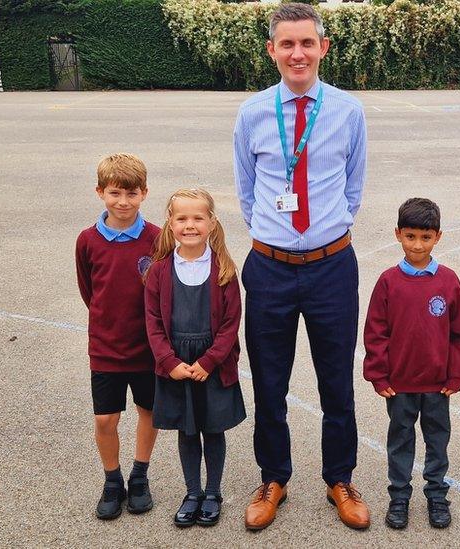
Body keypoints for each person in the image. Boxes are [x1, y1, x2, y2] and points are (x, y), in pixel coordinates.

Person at [232, 2, 369, 531]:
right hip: (268, 268)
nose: (297, 53)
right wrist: (278, 236)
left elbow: (353, 187)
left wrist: (323, 232)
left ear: (323, 48)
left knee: (337, 380)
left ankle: (339, 477)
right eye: (286, 44)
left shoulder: (349, 111)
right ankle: (274, 477)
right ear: (272, 51)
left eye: (306, 43)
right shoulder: (251, 114)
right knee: (269, 381)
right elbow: (248, 191)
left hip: (332, 266)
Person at [363, 198, 460, 530]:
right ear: (398, 234)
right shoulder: (387, 281)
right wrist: (378, 375)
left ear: (438, 237)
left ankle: (437, 496)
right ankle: (399, 497)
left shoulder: (448, 281)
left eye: (425, 238)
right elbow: (375, 332)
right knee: (400, 440)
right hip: (400, 385)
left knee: (437, 441)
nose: (417, 245)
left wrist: (456, 374)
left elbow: (459, 334)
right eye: (410, 236)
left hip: (438, 385)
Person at [144, 188, 247, 528]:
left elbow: (231, 323)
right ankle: (192, 492)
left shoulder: (224, 270)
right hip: (177, 366)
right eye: (182, 218)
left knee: (213, 430)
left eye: (198, 218)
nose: (190, 225)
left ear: (212, 223)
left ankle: (213, 492)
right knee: (187, 433)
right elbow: (153, 323)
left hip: (211, 367)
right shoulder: (159, 271)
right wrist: (169, 362)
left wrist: (210, 361)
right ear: (170, 223)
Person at [75, 153, 161, 520]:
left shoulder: (158, 238)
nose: (122, 202)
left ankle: (139, 476)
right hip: (106, 348)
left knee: (150, 411)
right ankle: (113, 480)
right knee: (105, 420)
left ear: (144, 193)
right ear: (100, 193)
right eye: (114, 194)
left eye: (131, 193)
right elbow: (88, 291)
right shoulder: (88, 240)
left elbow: (163, 291)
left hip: (148, 348)